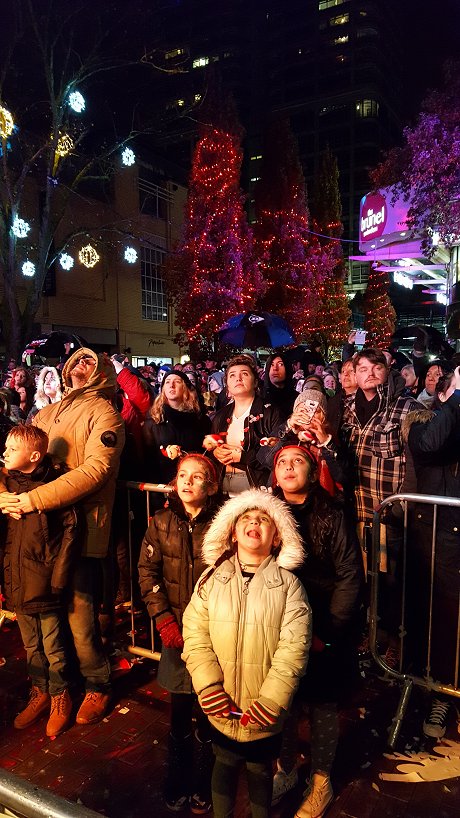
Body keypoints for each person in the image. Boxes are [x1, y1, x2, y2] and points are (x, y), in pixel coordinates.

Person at [0, 348, 125, 725]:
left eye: (88, 362)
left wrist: (33, 499)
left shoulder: (105, 413)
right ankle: (51, 688)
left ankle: (96, 685)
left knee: (79, 616)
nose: (79, 368)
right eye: (74, 363)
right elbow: (15, 456)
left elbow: (95, 470)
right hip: (39, 532)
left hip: (80, 531)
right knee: (40, 616)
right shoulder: (46, 413)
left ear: (102, 372)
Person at [182, 489, 311, 818]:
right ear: (233, 532)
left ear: (277, 537)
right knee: (223, 763)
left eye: (264, 520)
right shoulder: (211, 579)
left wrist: (272, 698)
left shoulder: (288, 586)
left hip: (264, 708)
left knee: (259, 770)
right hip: (220, 703)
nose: (255, 522)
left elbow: (294, 648)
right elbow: (195, 634)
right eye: (246, 519)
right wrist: (208, 685)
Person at [271, 444, 363, 817]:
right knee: (285, 700)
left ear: (312, 471)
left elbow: (349, 575)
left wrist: (329, 632)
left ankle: (321, 781)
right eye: (281, 462)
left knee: (323, 704)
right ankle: (288, 768)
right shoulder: (266, 511)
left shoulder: (332, 513)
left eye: (297, 461)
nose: (289, 467)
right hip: (280, 622)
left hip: (323, 621)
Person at [138, 454, 221, 813]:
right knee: (179, 707)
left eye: (197, 476)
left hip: (211, 632)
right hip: (175, 629)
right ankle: (178, 773)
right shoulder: (160, 521)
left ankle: (205, 776)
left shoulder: (222, 523)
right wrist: (164, 621)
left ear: (212, 486)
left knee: (208, 706)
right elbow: (148, 572)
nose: (187, 481)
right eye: (182, 475)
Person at [340, 349, 420, 663]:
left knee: (392, 580)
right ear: (354, 375)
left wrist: (401, 506)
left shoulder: (407, 409)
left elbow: (414, 465)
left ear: (387, 371)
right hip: (353, 509)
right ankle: (370, 633)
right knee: (362, 577)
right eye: (362, 368)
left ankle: (394, 639)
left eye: (377, 367)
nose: (370, 372)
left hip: (388, 511)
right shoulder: (344, 409)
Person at [1, 426, 82, 737]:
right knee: (31, 643)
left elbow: (70, 534)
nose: (5, 452)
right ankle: (40, 691)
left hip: (45, 580)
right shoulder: (7, 485)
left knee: (53, 645)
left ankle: (61, 695)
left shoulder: (55, 487)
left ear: (34, 456)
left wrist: (58, 578)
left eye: (11, 448)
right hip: (17, 577)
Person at [402, 366, 460, 739]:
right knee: (444, 613)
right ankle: (441, 691)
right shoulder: (422, 419)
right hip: (439, 530)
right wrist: (455, 397)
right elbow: (432, 444)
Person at [208, 355, 282, 494]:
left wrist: (242, 457)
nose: (238, 378)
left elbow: (276, 454)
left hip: (256, 484)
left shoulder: (270, 413)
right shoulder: (220, 416)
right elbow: (211, 447)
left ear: (255, 382)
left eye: (244, 374)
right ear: (227, 385)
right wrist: (215, 452)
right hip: (222, 481)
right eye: (232, 375)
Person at [143, 371, 211, 504]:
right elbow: (149, 461)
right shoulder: (153, 422)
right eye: (167, 382)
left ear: (185, 387)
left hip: (194, 489)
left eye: (177, 381)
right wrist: (157, 495)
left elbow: (206, 456)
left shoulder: (201, 421)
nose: (171, 385)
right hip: (163, 490)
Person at [262, 353, 297, 421]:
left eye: (280, 364)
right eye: (271, 365)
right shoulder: (260, 397)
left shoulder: (297, 399)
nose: (275, 368)